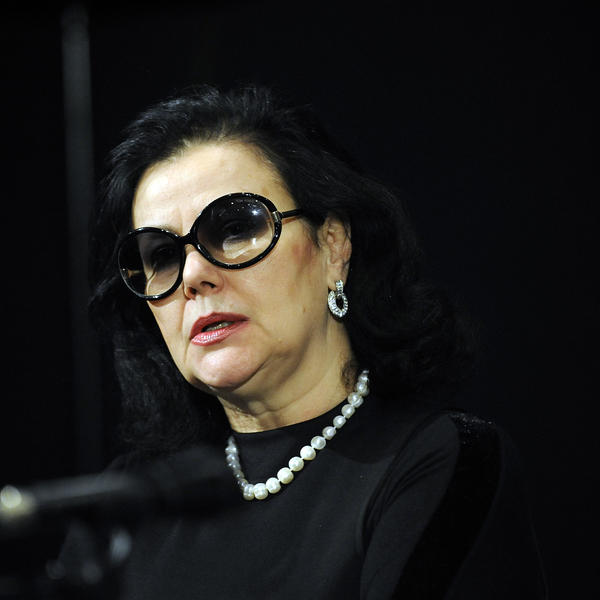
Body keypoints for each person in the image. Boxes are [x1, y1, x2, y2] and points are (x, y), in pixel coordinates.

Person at [80, 83, 547, 599]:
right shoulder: (126, 505)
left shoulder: (440, 463)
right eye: (162, 256)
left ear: (333, 246)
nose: (193, 275)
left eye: (235, 229)